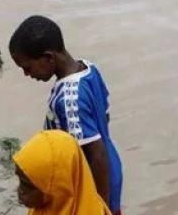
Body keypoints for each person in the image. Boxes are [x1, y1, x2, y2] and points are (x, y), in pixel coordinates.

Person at [9, 16, 123, 215]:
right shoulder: (88, 69)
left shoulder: (69, 101)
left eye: (28, 67)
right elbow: (104, 119)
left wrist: (98, 206)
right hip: (112, 168)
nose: (27, 74)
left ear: (48, 58)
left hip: (94, 182)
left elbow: (96, 155)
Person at [13, 131, 112, 215]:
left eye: (27, 185)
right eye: (20, 181)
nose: (19, 190)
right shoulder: (42, 207)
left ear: (58, 187)